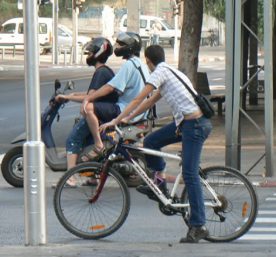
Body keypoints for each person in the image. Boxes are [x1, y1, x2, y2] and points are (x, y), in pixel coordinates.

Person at [100, 45, 212, 243]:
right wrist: (129, 118)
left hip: (195, 126)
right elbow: (149, 102)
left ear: (148, 61)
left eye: (146, 63)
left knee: (189, 174)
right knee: (151, 141)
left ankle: (199, 225)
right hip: (186, 124)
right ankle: (159, 181)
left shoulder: (160, 72)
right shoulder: (169, 72)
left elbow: (138, 98)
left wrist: (116, 121)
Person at [55, 37, 117, 185]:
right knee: (86, 142)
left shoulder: (101, 72)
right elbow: (91, 93)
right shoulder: (104, 71)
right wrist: (71, 95)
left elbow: (90, 97)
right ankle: (93, 177)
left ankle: (70, 178)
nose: (87, 56)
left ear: (98, 53)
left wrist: (67, 97)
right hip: (102, 111)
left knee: (73, 139)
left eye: (89, 53)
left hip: (98, 113)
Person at [80, 32, 150, 161]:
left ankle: (98, 144)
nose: (118, 47)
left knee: (89, 108)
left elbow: (109, 87)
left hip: (125, 109)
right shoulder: (139, 64)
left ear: (129, 47)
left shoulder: (129, 65)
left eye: (121, 44)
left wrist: (88, 98)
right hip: (141, 111)